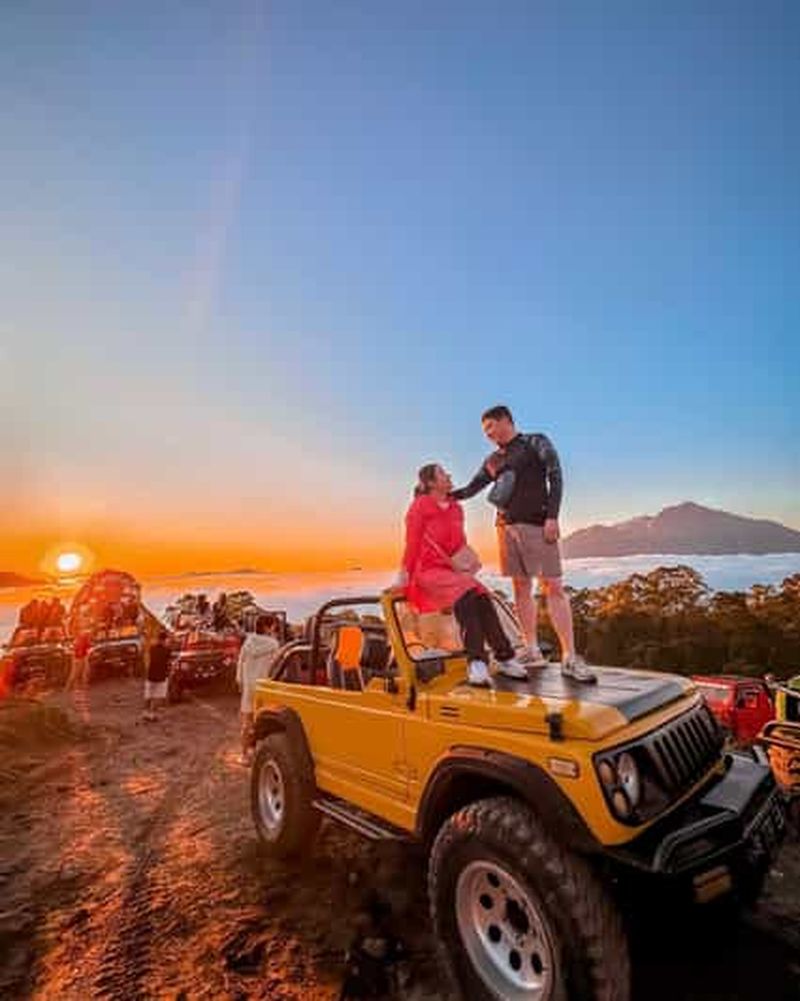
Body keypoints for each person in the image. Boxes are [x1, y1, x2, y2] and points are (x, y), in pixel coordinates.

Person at [451, 404, 596, 683]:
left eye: (490, 427)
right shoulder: (492, 459)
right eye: (485, 432)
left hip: (538, 525)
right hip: (505, 529)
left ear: (506, 420)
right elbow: (471, 489)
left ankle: (569, 656)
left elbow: (556, 476)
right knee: (520, 587)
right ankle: (530, 649)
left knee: (552, 585)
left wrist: (552, 516)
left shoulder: (536, 442)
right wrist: (439, 496)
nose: (488, 435)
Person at [395, 463, 528, 687]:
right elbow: (413, 543)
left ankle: (505, 657)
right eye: (442, 474)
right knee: (467, 594)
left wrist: (466, 563)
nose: (449, 476)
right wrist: (403, 574)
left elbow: (459, 542)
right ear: (431, 483)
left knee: (482, 596)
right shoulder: (419, 507)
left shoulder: (456, 508)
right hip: (426, 571)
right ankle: (476, 662)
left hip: (451, 571)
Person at [237, 616, 281, 763]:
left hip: (249, 686)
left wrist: (241, 682)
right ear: (267, 627)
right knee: (264, 721)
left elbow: (240, 663)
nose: (274, 629)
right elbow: (276, 666)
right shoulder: (274, 644)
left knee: (246, 722)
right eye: (273, 626)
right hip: (264, 687)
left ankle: (243, 755)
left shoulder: (247, 642)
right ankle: (258, 753)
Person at [143, 630, 171, 721]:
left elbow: (148, 659)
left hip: (151, 674)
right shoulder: (167, 650)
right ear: (165, 639)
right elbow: (168, 661)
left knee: (148, 695)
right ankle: (152, 714)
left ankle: (145, 712)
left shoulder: (152, 648)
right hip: (161, 676)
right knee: (157, 696)